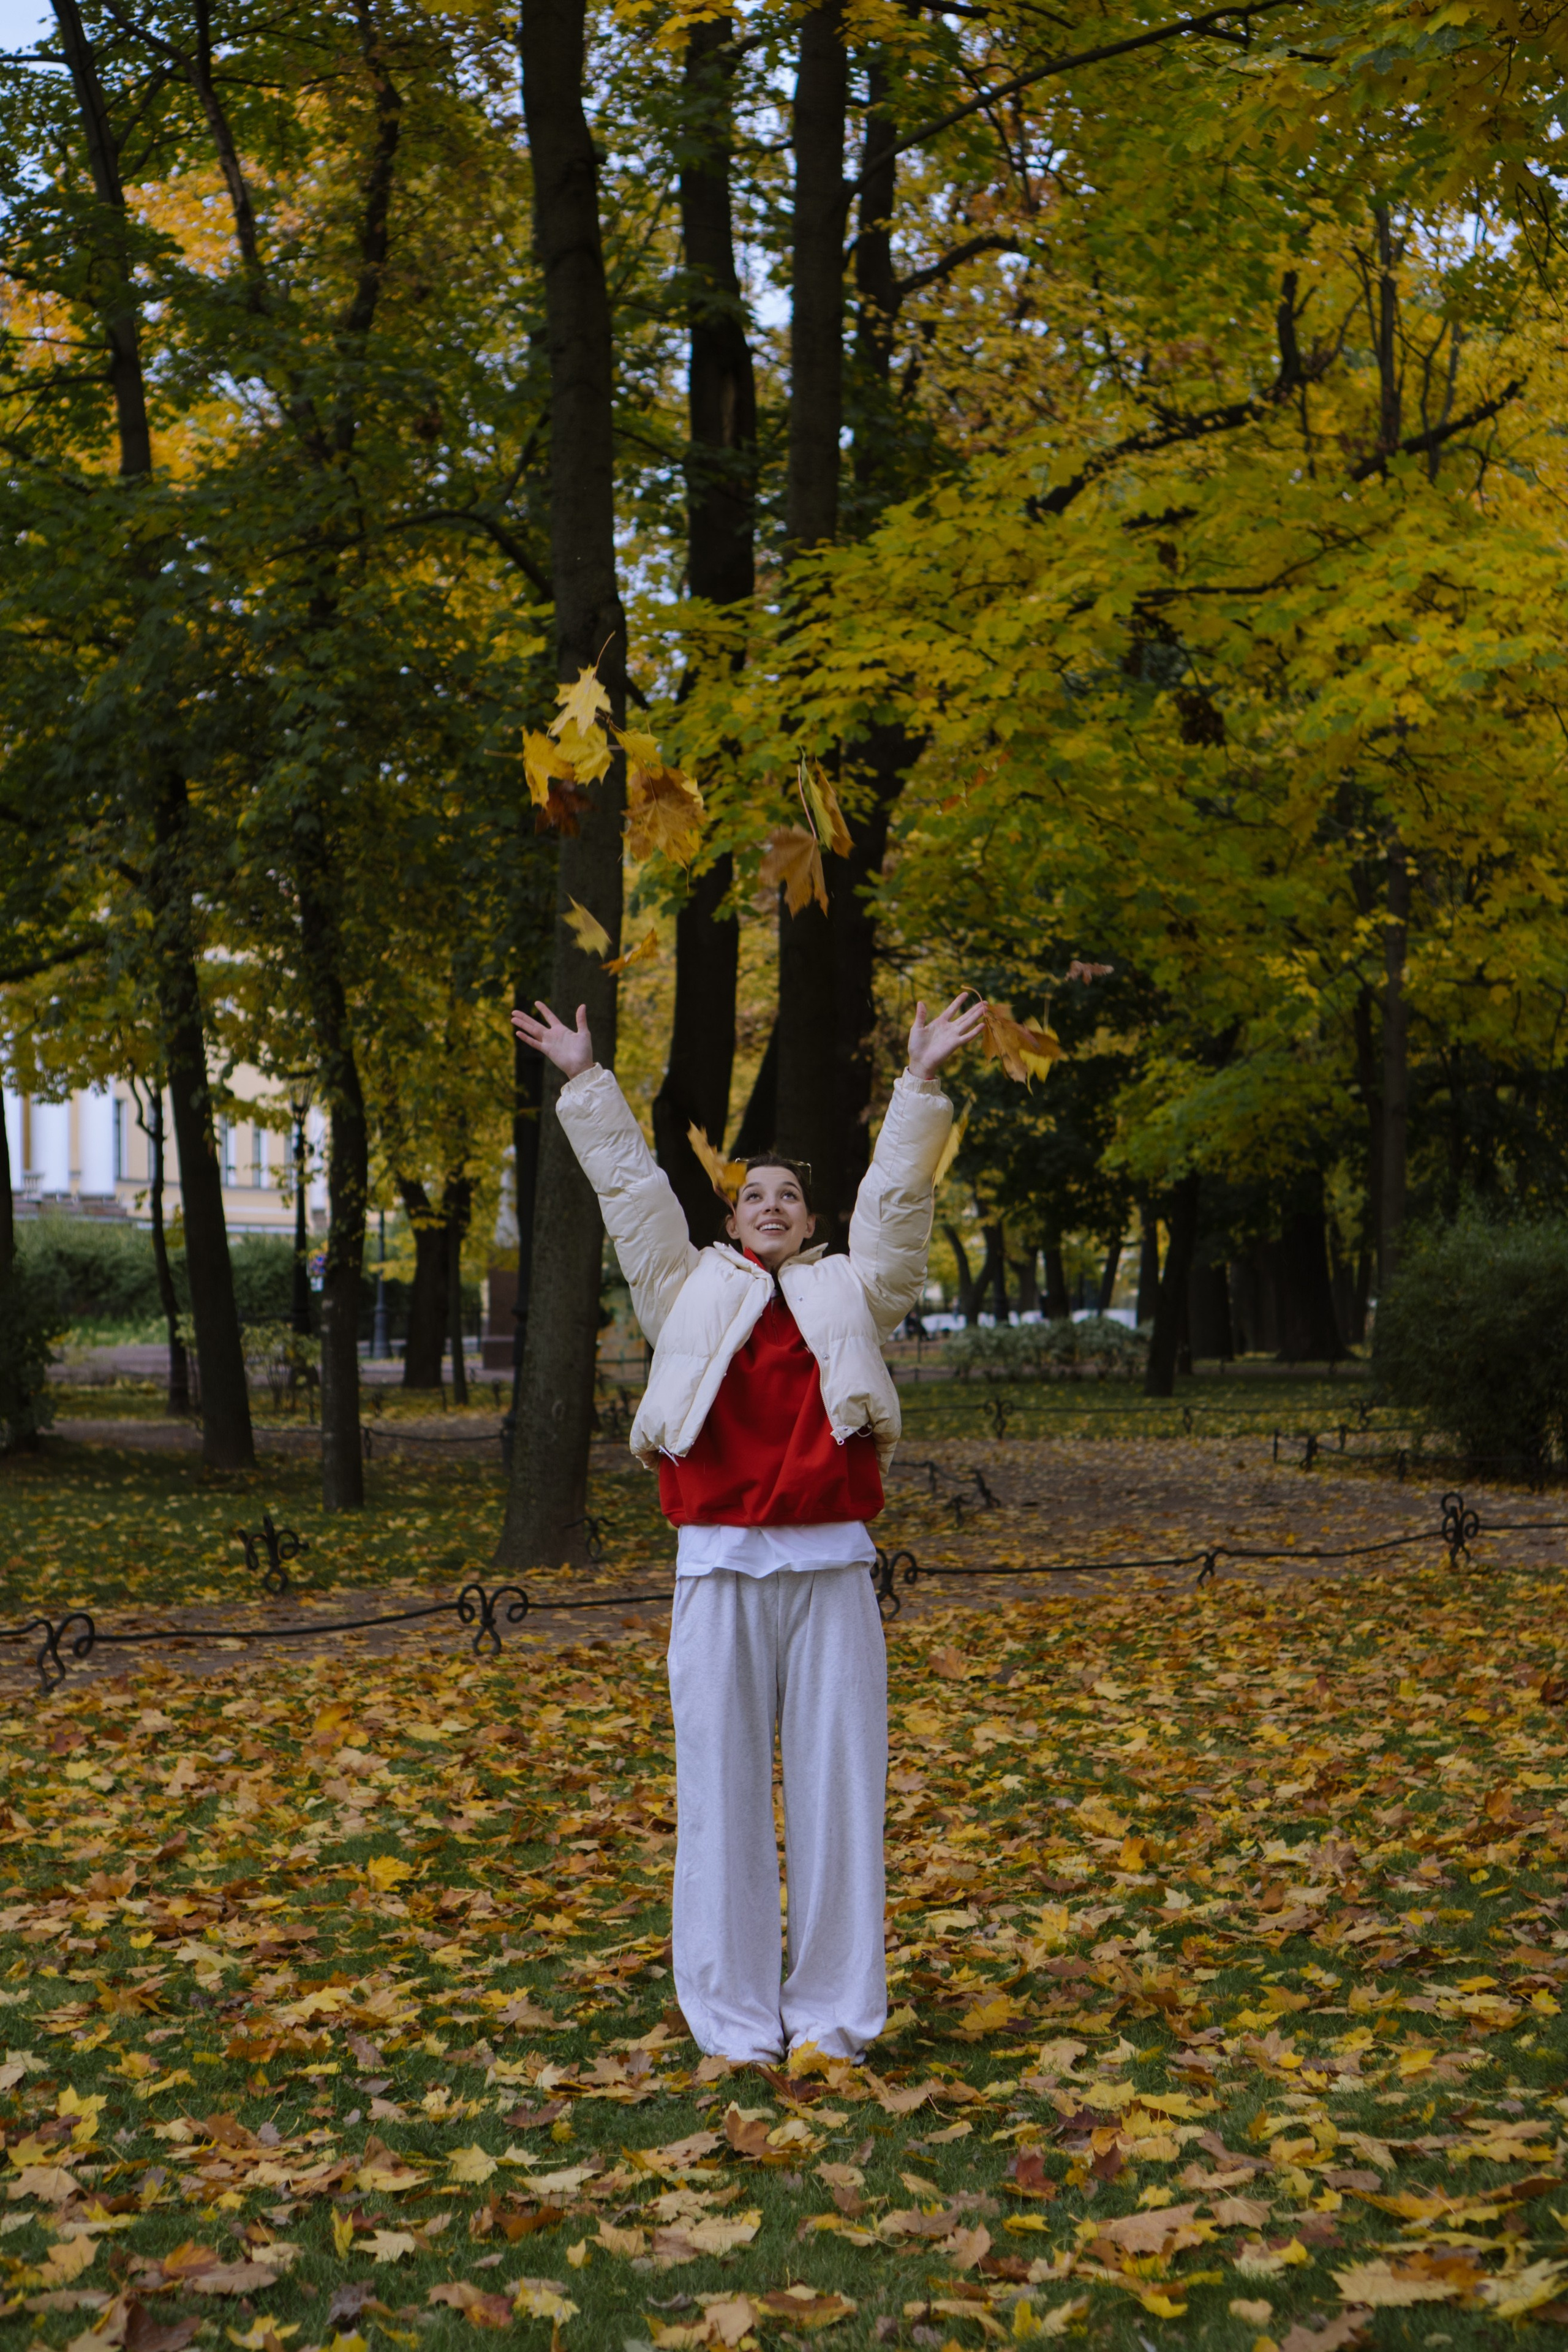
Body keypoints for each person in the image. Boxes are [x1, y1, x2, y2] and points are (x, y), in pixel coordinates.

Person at [511, 990, 984, 2064]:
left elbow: (898, 1206)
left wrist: (918, 1083)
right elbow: (633, 1194)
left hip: (831, 1573)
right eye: (753, 1195)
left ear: (812, 1224)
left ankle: (832, 2019)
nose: (771, 1206)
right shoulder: (683, 1290)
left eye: (790, 1197)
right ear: (731, 1223)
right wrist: (586, 1081)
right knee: (719, 1806)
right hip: (718, 1570)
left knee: (839, 1804)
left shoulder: (854, 1294)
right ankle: (731, 2025)